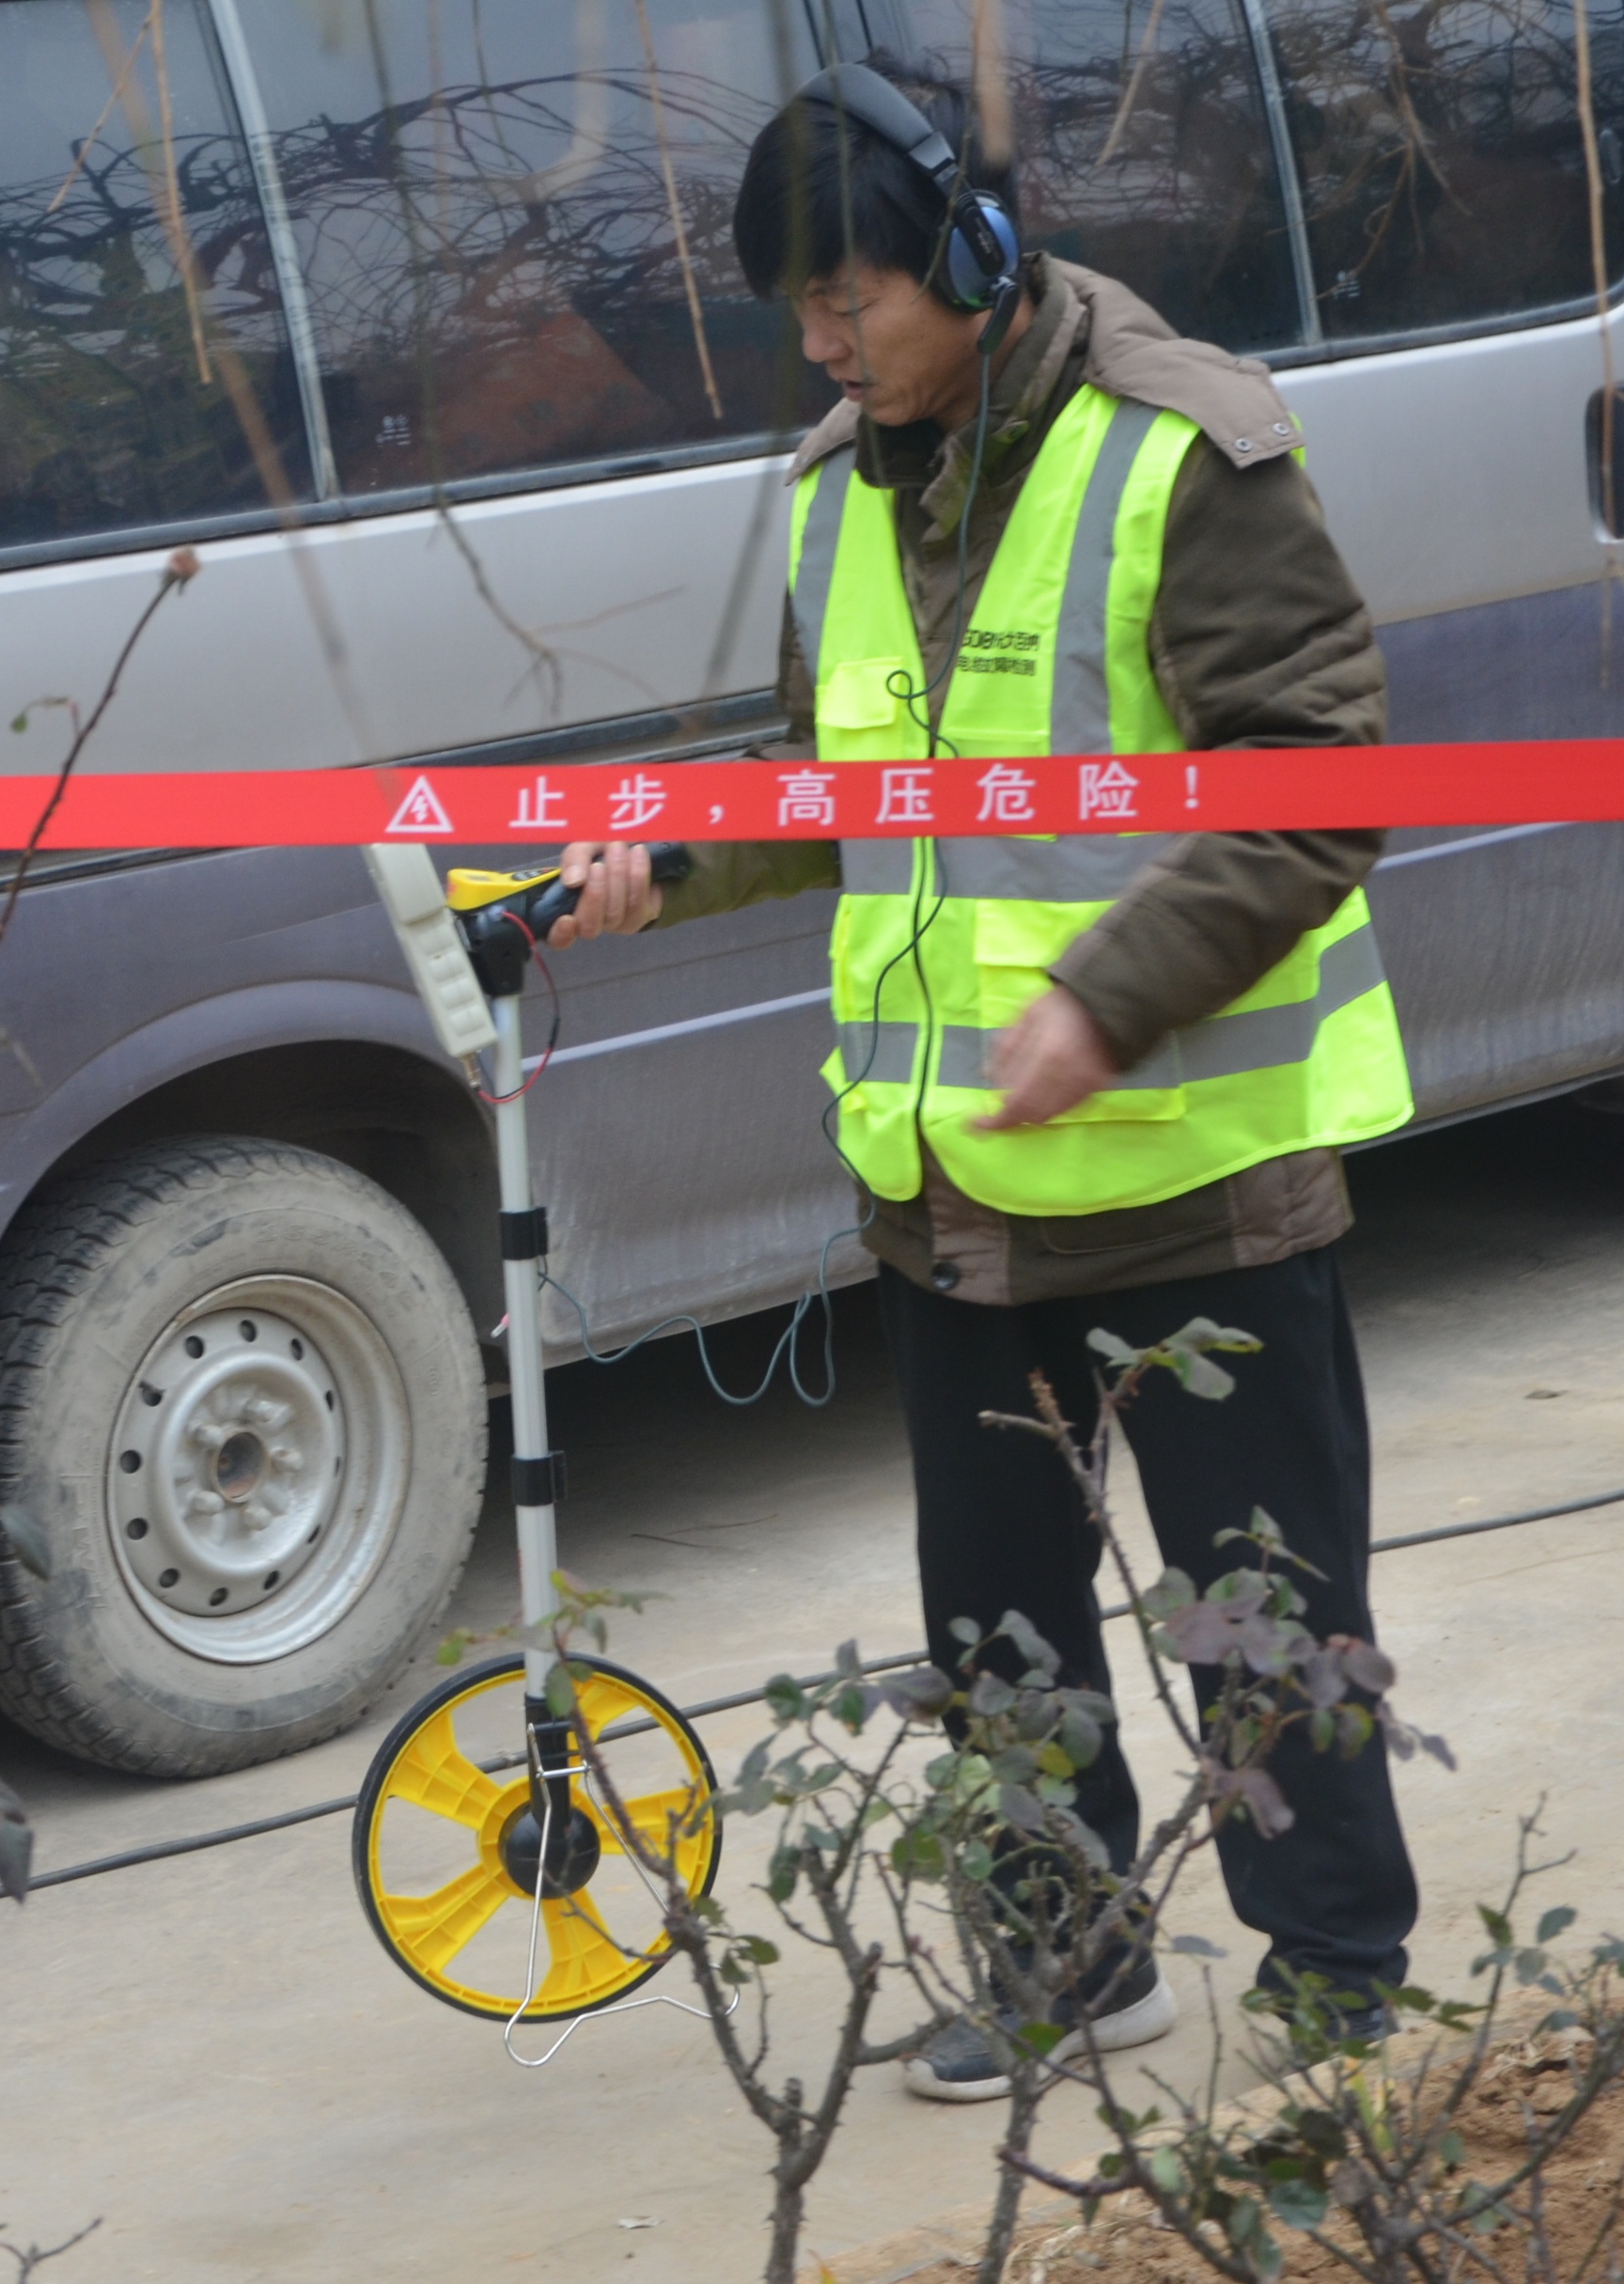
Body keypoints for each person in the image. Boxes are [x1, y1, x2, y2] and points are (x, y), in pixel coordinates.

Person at [548, 65, 1421, 2101]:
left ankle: (1337, 1987)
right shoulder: (840, 484)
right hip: (951, 1189)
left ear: (973, 253)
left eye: (857, 300)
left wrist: (1111, 1004)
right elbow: (848, 789)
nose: (830, 349)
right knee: (997, 1633)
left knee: (1259, 1618)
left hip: (1196, 1169)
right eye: (802, 315)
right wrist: (672, 857)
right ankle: (1065, 1959)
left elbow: (1321, 784)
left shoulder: (1183, 448)